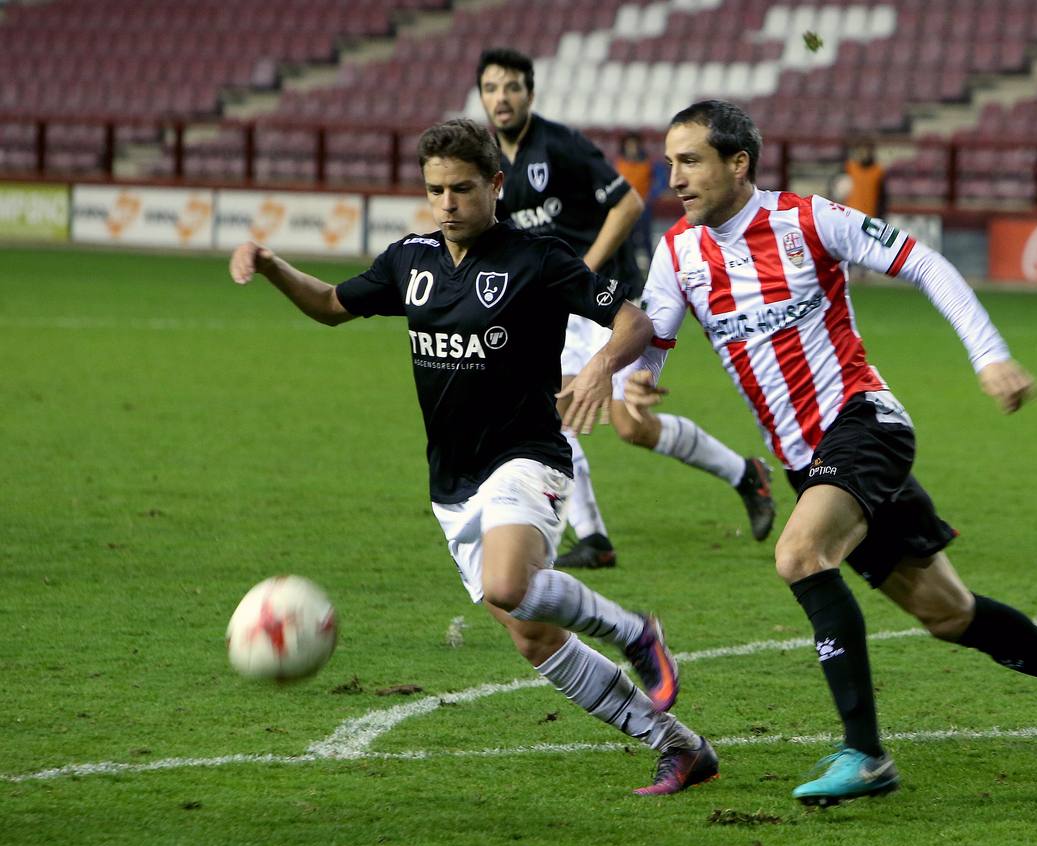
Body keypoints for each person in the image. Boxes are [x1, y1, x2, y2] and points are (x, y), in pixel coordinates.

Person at [621, 100, 1037, 806]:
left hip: (863, 422)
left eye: (689, 160)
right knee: (948, 614)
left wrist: (990, 356)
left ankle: (864, 753)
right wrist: (635, 387)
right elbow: (653, 344)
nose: (675, 178)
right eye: (669, 163)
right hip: (805, 461)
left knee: (799, 556)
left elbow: (924, 262)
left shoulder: (809, 220)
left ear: (737, 162)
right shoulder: (678, 253)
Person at [227, 118, 717, 796]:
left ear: (495, 184)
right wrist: (273, 265)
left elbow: (631, 320)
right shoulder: (411, 261)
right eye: (435, 191)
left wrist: (602, 365)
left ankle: (636, 633)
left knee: (507, 585)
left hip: (526, 455)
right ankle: (679, 746)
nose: (448, 203)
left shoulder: (536, 258)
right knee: (533, 639)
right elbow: (333, 304)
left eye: (462, 188)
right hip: (451, 483)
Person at [476, 47, 775, 570]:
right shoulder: (491, 162)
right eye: (491, 88)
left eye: (512, 87)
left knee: (629, 424)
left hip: (606, 299)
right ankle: (593, 536)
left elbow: (629, 203)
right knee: (552, 414)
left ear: (530, 93)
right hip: (555, 310)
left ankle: (745, 474)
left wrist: (581, 273)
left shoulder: (560, 145)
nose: (501, 98)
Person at [615, 130, 655, 269]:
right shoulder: (620, 163)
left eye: (634, 145)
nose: (632, 148)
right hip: (626, 208)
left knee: (645, 240)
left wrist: (648, 197)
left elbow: (653, 183)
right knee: (628, 240)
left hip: (643, 207)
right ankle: (629, 269)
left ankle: (653, 268)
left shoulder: (646, 163)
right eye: (629, 145)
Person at [841, 139, 886, 220]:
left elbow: (882, 198)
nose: (863, 153)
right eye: (861, 150)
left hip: (870, 216)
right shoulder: (849, 168)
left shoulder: (878, 171)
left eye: (866, 150)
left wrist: (880, 217)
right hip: (850, 215)